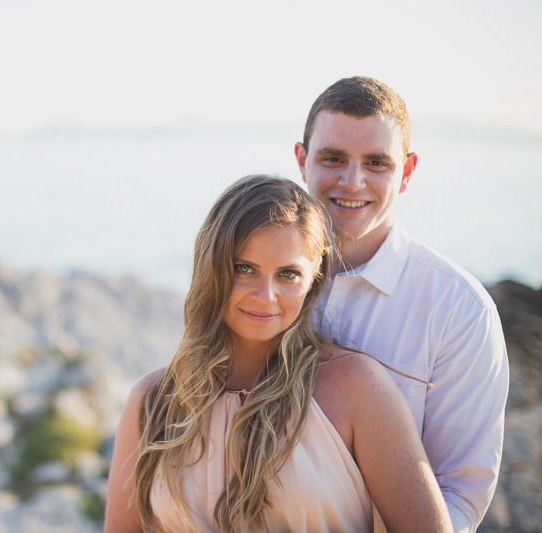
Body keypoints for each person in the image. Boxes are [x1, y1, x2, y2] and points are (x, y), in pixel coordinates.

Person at [105, 175, 452, 532]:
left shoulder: (355, 388)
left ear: (314, 279)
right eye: (244, 269)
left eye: (287, 274)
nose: (265, 296)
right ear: (211, 266)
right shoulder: (152, 401)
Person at [293, 76, 510, 532]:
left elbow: (460, 494)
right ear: (302, 160)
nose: (353, 182)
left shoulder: (459, 310)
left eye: (377, 163)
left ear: (406, 172)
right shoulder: (262, 284)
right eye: (333, 158)